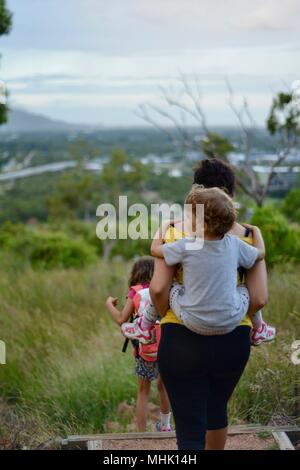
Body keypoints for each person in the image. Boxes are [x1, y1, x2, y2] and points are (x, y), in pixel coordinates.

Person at [149, 158, 274, 450]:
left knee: (189, 425)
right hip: (233, 339)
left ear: (196, 197)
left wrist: (174, 313)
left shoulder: (176, 232)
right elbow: (259, 298)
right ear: (230, 196)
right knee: (216, 410)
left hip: (182, 339)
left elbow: (157, 289)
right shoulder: (247, 235)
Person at [122, 186, 275, 343]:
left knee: (168, 285)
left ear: (204, 225)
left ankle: (144, 327)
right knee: (244, 288)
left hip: (192, 320)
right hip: (232, 320)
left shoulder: (187, 244)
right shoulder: (236, 244)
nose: (187, 219)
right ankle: (259, 329)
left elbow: (154, 250)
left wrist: (164, 225)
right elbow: (260, 254)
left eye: (191, 216)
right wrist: (257, 231)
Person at [105, 256, 172, 433]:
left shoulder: (135, 291)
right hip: (167, 345)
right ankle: (165, 427)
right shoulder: (163, 288)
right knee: (163, 387)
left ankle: (142, 434)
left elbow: (121, 319)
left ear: (135, 273)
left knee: (143, 391)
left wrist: (109, 304)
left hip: (145, 348)